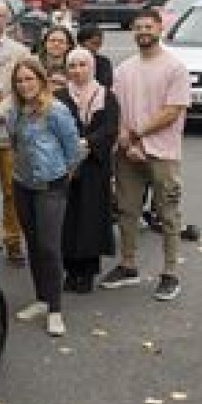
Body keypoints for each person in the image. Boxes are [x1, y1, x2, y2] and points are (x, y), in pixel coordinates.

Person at [101, 9, 190, 302]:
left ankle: (170, 273)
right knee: (127, 211)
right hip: (129, 151)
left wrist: (137, 134)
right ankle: (128, 266)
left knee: (167, 213)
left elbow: (173, 110)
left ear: (159, 28)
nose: (143, 31)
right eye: (138, 27)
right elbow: (117, 108)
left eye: (148, 26)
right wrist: (128, 141)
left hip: (163, 153)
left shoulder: (175, 68)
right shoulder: (125, 69)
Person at [6, 58, 81, 337]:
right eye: (20, 80)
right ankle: (41, 298)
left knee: (49, 247)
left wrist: (63, 177)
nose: (25, 85)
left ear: (41, 80)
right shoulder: (16, 111)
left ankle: (55, 310)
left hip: (52, 186)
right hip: (23, 184)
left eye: (30, 79)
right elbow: (14, 144)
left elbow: (73, 149)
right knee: (34, 245)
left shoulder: (57, 110)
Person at [56, 48, 119, 294]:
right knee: (68, 217)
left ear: (91, 67)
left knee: (91, 218)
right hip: (66, 166)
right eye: (72, 66)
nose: (77, 70)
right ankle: (70, 269)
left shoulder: (107, 96)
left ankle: (88, 272)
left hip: (95, 166)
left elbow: (110, 127)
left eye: (82, 65)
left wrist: (88, 143)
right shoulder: (60, 96)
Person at [0, 0, 35, 267]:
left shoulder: (21, 52)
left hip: (11, 131)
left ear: (6, 21)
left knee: (13, 191)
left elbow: (26, 90)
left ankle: (13, 241)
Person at [76, 24, 114, 88]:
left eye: (99, 44)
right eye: (93, 43)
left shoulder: (104, 62)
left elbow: (107, 85)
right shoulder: (71, 60)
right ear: (81, 43)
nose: (96, 48)